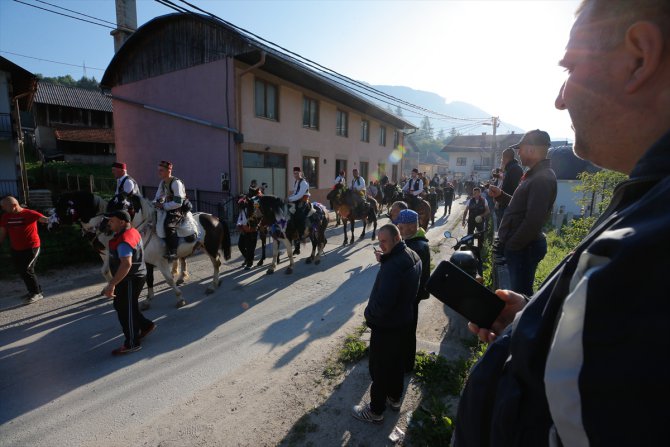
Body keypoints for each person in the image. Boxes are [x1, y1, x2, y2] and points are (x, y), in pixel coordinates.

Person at [455, 1, 670, 445]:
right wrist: (533, 319)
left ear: (640, 58)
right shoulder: (647, 196)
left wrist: (509, 240)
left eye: (570, 67)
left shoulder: (648, 253)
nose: (559, 97)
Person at [352, 224, 421, 423]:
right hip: (403, 320)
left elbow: (383, 302)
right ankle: (394, 398)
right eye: (379, 241)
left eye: (384, 241)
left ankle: (375, 411)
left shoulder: (392, 267)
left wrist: (369, 314)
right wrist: (385, 258)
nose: (380, 246)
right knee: (397, 362)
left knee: (379, 368)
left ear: (397, 238)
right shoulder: (412, 255)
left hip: (386, 325)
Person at [489, 130, 557, 296]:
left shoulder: (541, 178)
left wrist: (511, 246)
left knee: (520, 296)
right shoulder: (534, 175)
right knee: (517, 293)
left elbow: (533, 220)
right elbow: (521, 208)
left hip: (524, 249)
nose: (518, 153)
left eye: (520, 148)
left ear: (531, 150)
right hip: (523, 247)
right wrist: (501, 196)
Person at [102, 210, 155, 356]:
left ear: (122, 222)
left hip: (131, 278)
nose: (109, 223)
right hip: (129, 277)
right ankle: (146, 325)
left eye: (112, 220)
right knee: (123, 305)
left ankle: (132, 343)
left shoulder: (124, 239)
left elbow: (126, 264)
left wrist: (111, 284)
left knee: (126, 310)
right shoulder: (131, 231)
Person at [395, 209, 430, 373]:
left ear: (410, 226)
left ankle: (406, 364)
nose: (399, 231)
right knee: (407, 329)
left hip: (410, 297)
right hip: (411, 296)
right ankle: (405, 361)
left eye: (400, 228)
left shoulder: (416, 246)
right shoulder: (416, 241)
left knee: (407, 331)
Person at [0, 196, 48, 304]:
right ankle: (33, 291)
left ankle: (36, 293)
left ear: (14, 205)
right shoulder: (5, 216)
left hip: (31, 247)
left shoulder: (30, 213)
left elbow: (45, 219)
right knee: (22, 270)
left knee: (27, 269)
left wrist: (55, 218)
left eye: (4, 206)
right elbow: (2, 232)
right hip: (16, 248)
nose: (2, 208)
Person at [153, 160, 187, 262]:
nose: (159, 173)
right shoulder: (162, 182)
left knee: (169, 226)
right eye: (158, 170)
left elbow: (178, 202)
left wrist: (163, 206)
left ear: (169, 171)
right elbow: (158, 196)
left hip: (178, 209)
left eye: (161, 170)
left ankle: (173, 252)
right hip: (168, 206)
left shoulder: (176, 183)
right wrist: (153, 203)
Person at [100, 162, 142, 231]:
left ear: (122, 171)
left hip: (133, 208)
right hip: (124, 205)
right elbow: (117, 196)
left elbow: (124, 199)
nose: (112, 172)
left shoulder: (128, 181)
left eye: (114, 170)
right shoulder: (119, 180)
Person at [495, 147, 524, 222]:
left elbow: (514, 191)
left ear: (505, 158)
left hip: (509, 209)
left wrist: (499, 198)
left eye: (502, 158)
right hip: (506, 207)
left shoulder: (514, 169)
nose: (502, 160)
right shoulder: (510, 168)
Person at [287, 166, 310, 255]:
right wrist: (289, 198)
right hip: (296, 200)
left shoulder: (304, 183)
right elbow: (295, 193)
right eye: (294, 173)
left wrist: (290, 199)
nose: (295, 175)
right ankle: (295, 241)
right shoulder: (296, 182)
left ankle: (302, 233)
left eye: (297, 173)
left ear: (300, 173)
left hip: (303, 201)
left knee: (299, 215)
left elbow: (300, 195)